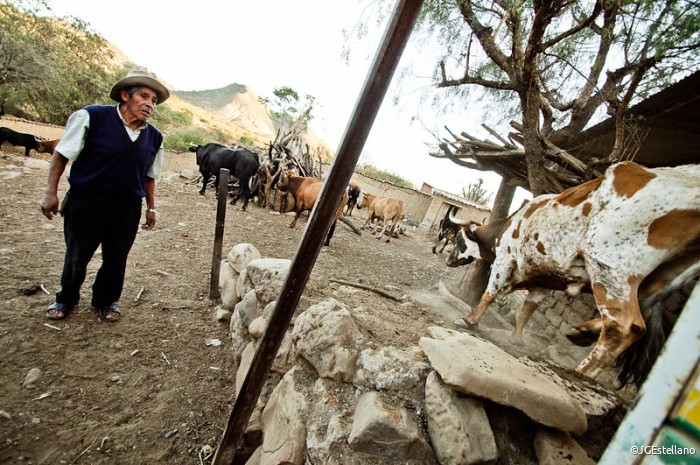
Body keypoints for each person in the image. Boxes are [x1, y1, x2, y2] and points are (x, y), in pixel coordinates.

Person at [39, 69, 169, 322]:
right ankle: (66, 297)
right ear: (125, 95)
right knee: (77, 254)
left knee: (116, 258)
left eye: (153, 100)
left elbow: (150, 176)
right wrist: (50, 193)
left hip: (126, 207)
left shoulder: (155, 137)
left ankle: (106, 301)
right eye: (144, 96)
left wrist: (151, 208)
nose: (150, 104)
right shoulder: (91, 116)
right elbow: (61, 155)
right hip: (86, 201)